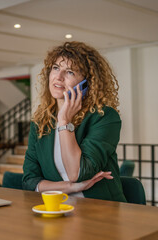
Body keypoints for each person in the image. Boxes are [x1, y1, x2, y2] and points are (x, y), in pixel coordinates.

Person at [22, 41, 126, 202]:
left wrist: (64, 121)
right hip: (57, 208)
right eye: (55, 68)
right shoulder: (41, 122)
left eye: (69, 72)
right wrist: (71, 187)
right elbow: (29, 181)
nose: (59, 77)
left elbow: (77, 173)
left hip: (101, 210)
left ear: (87, 83)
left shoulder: (104, 117)